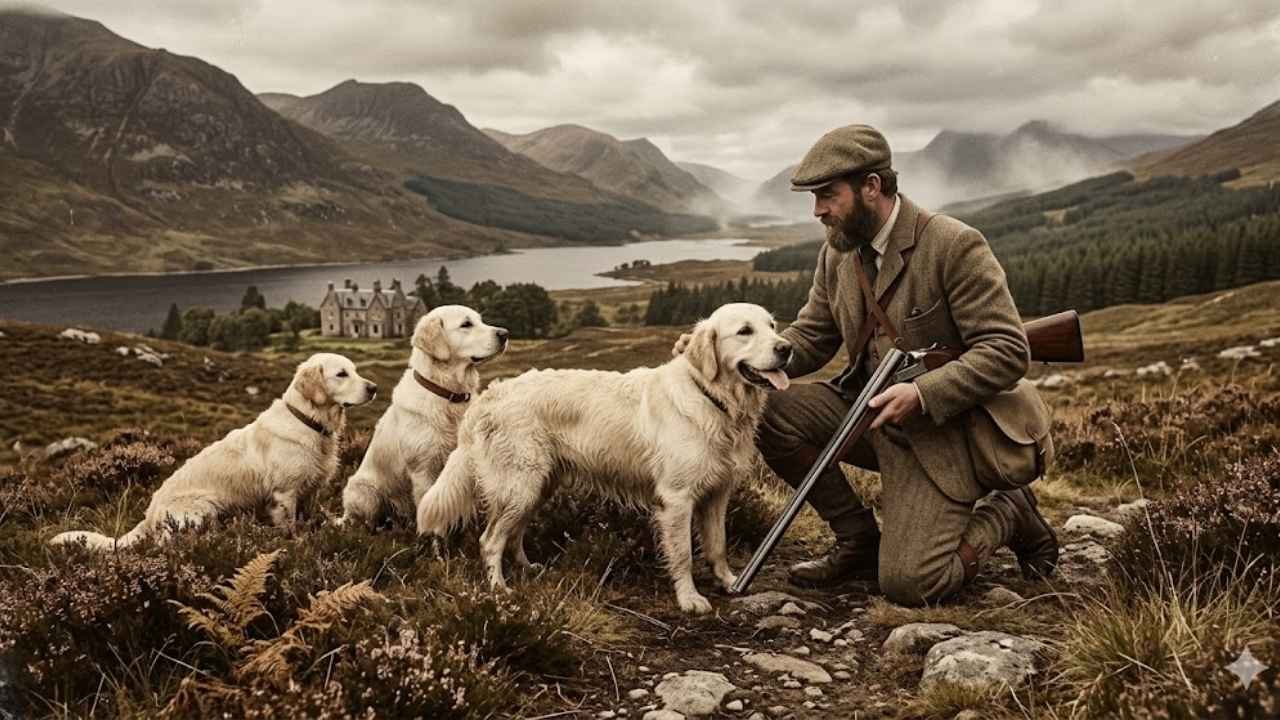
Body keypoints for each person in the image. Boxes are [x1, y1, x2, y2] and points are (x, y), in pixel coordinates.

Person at [675, 124, 1058, 606]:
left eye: (827, 195)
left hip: (940, 432)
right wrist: (738, 357)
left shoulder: (954, 244)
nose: (818, 211)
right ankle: (857, 539)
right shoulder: (838, 254)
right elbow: (812, 336)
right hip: (868, 413)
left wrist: (922, 393)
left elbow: (1006, 348)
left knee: (912, 584)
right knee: (773, 411)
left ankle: (1008, 512)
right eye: (814, 198)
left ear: (871, 187)